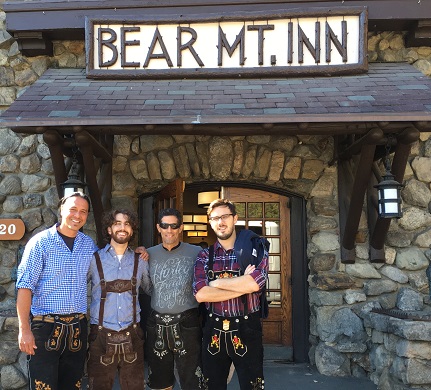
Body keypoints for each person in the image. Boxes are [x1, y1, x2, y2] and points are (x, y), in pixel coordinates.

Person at [16, 192, 97, 390]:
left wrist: (137, 253)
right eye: (73, 210)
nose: (77, 215)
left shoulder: (88, 245)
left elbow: (107, 268)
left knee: (73, 385)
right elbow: (25, 286)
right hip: (45, 328)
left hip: (77, 328)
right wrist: (24, 329)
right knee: (43, 386)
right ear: (61, 210)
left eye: (83, 211)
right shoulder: (40, 243)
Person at [193, 199, 269, 390]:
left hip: (247, 326)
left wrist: (216, 283)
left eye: (225, 216)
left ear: (235, 218)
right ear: (210, 222)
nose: (221, 222)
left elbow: (254, 283)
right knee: (212, 386)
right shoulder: (204, 256)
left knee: (252, 386)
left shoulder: (255, 249)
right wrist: (240, 284)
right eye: (215, 218)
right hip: (213, 329)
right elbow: (201, 295)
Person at [87, 209, 151, 389]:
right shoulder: (94, 259)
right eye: (117, 223)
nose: (122, 228)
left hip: (133, 334)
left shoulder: (141, 260)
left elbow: (150, 289)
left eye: (127, 224)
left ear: (132, 230)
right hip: (100, 334)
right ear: (109, 229)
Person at [146, 208, 203, 390]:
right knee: (159, 381)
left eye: (174, 226)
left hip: (188, 322)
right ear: (158, 227)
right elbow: (145, 286)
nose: (169, 230)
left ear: (180, 228)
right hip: (157, 323)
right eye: (164, 225)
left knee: (192, 381)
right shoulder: (147, 254)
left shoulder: (197, 252)